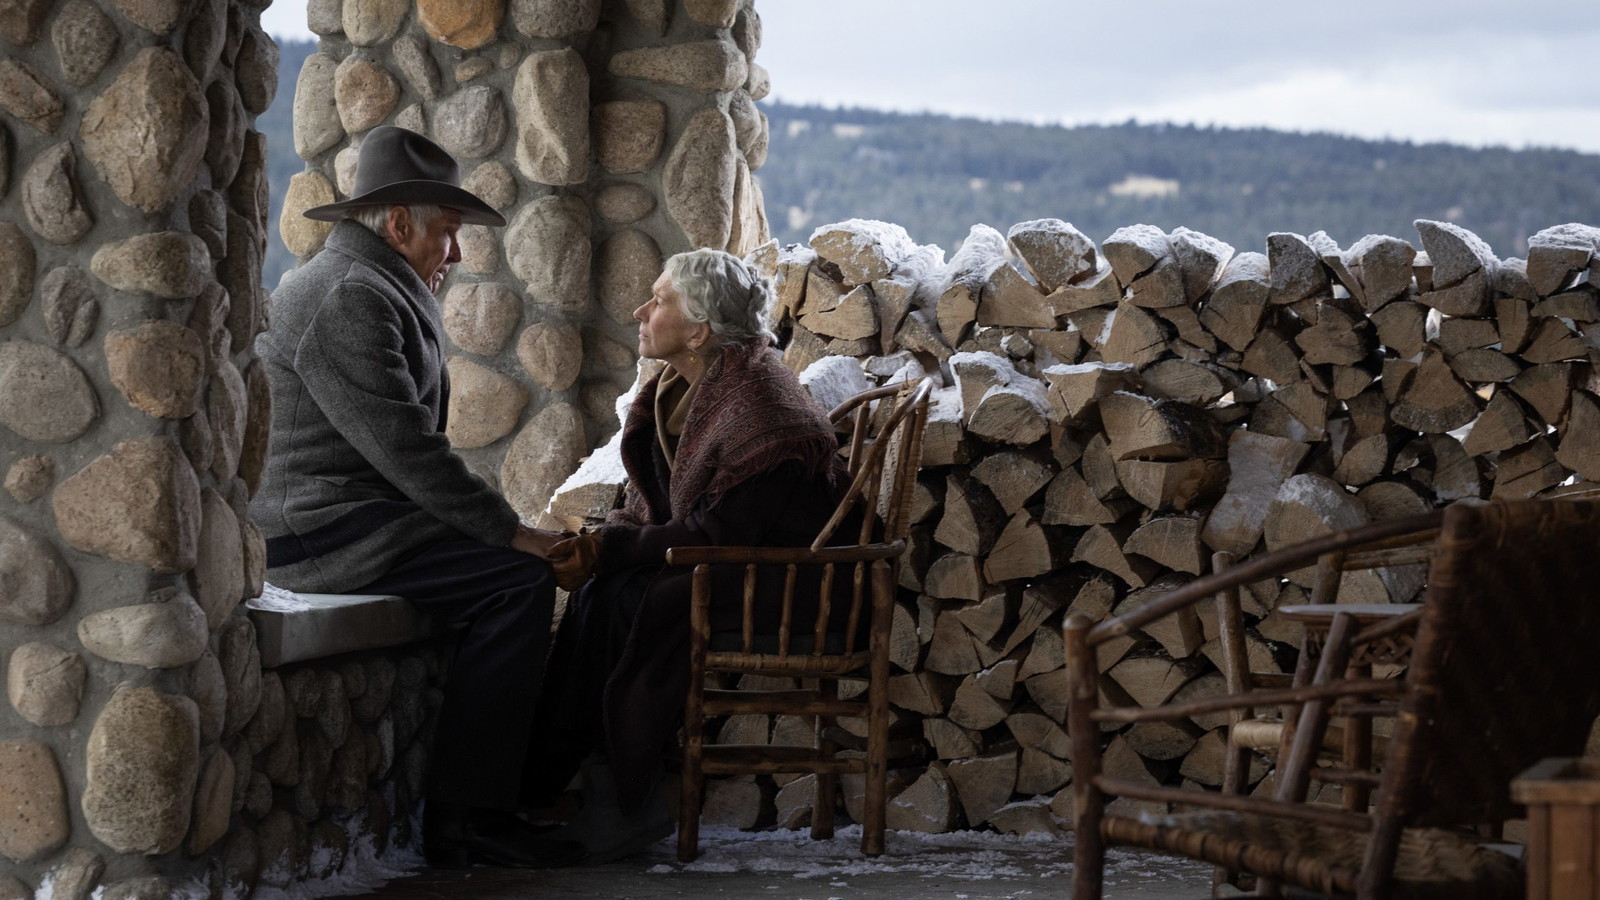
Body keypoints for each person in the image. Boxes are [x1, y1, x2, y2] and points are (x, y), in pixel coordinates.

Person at [249, 126, 582, 869]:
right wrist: (508, 533)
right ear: (398, 225)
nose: (456, 253)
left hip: (359, 523)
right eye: (447, 232)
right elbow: (407, 451)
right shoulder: (346, 295)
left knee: (506, 576)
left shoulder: (374, 285)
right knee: (514, 583)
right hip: (318, 535)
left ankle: (499, 794)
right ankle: (467, 819)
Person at [523, 249, 860, 860]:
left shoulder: (762, 403)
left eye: (659, 300)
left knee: (636, 597)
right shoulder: (683, 385)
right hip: (731, 561)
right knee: (606, 592)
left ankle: (626, 803)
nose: (640, 310)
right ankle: (561, 786)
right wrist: (604, 545)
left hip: (791, 583)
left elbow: (722, 529)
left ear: (700, 329)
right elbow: (660, 503)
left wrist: (614, 547)